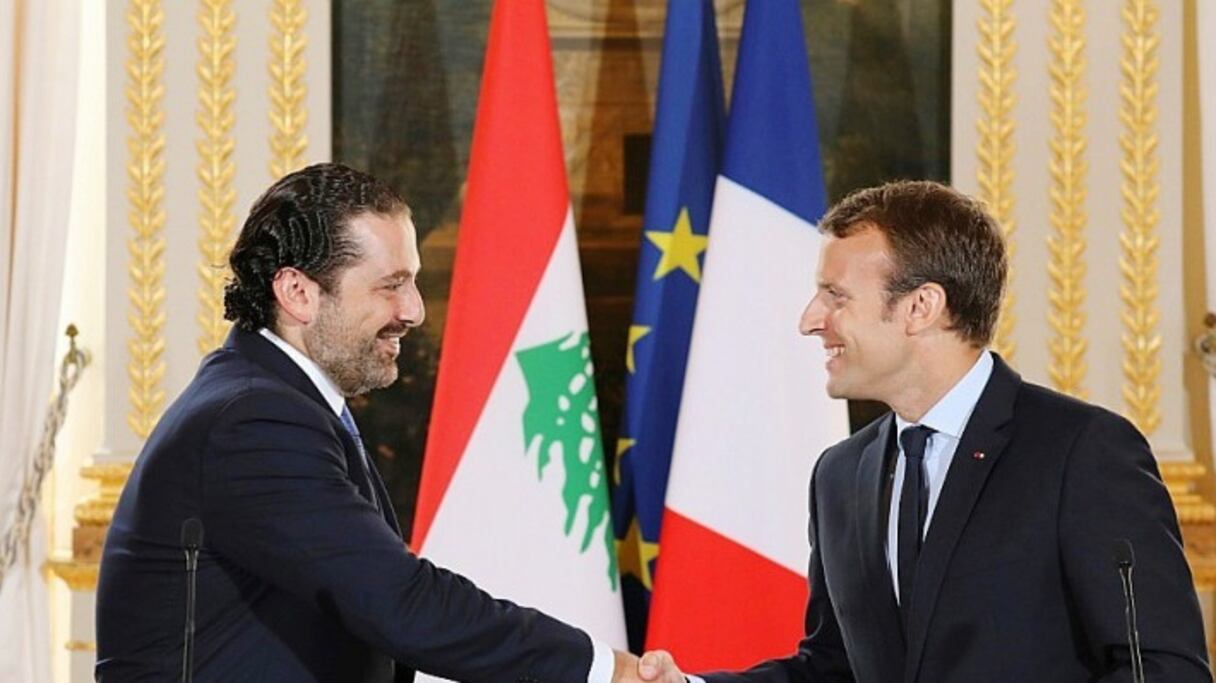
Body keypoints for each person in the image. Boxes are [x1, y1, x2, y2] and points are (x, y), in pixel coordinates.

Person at [637, 180, 1211, 682]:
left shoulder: (1081, 452)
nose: (811, 320)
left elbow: (1160, 671)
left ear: (920, 307)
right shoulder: (840, 476)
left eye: (836, 296)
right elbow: (831, 671)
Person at [96, 163, 646, 682]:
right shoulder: (253, 421)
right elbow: (399, 603)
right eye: (391, 285)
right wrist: (602, 669)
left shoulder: (271, 401)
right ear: (298, 293)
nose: (414, 310)